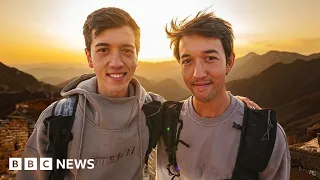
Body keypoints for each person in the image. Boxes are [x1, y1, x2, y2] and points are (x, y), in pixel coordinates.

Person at [17, 7, 260, 180]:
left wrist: (233, 104)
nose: (116, 62)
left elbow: (199, 111)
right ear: (89, 57)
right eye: (103, 50)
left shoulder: (153, 110)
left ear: (137, 54)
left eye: (126, 50)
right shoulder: (58, 119)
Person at [156, 9, 291, 180]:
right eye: (187, 61)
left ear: (229, 62)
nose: (197, 73)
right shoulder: (166, 122)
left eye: (210, 58)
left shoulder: (266, 136)